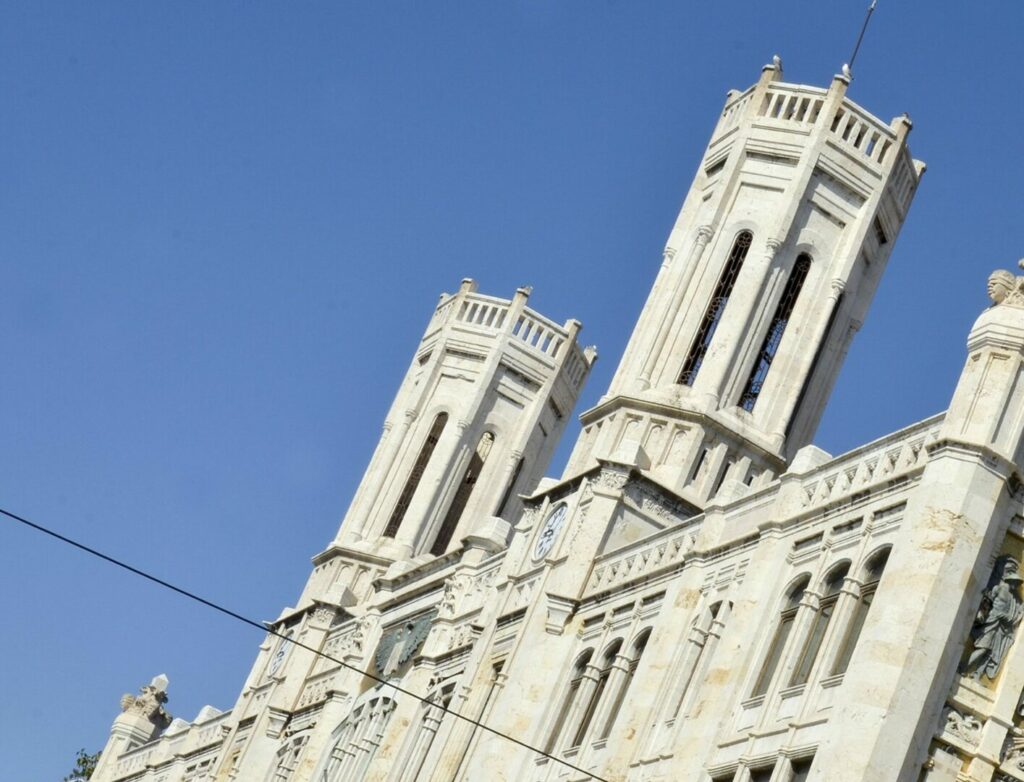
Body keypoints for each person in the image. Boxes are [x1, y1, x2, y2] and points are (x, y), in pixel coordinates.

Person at [967, 560, 1024, 681]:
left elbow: (1016, 609)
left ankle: (977, 675)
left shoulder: (1014, 598)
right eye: (1016, 582)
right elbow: (988, 600)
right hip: (992, 621)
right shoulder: (998, 588)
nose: (1017, 585)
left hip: (1001, 627)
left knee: (990, 653)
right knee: (983, 648)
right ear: (1011, 580)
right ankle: (964, 668)